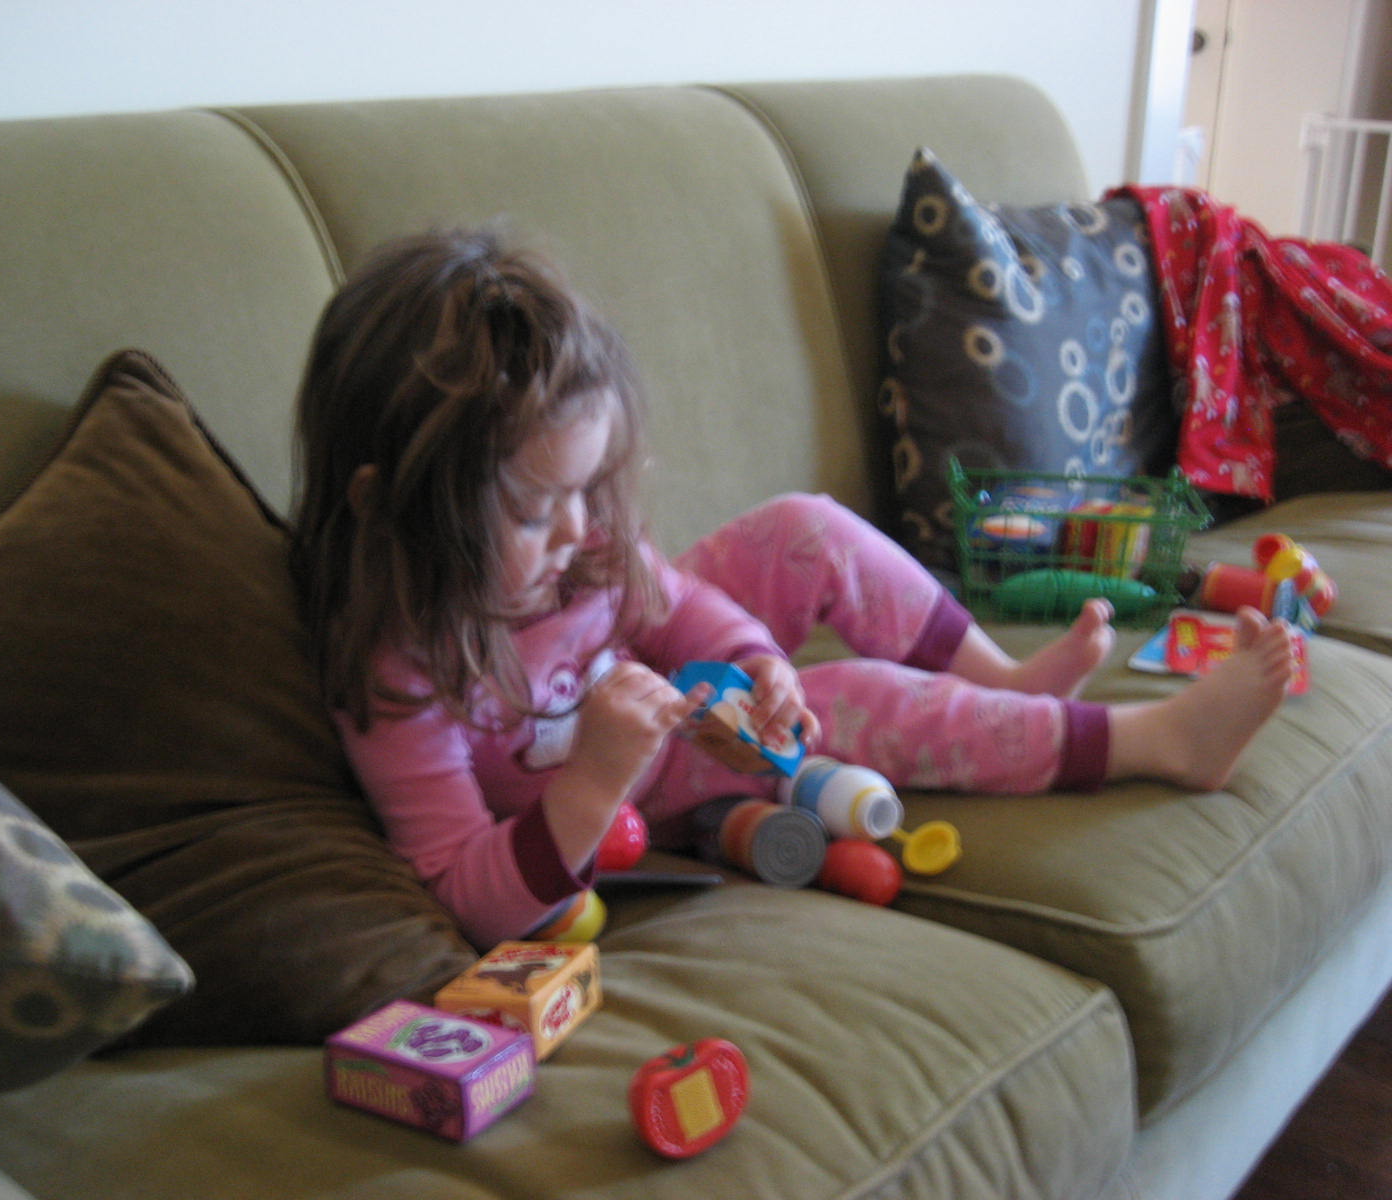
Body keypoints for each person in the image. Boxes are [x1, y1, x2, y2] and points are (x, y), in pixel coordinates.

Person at [290, 228, 1295, 948]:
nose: (581, 529)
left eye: (588, 489)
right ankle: (1155, 741)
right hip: (634, 782)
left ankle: (1005, 680)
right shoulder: (397, 677)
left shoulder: (580, 546)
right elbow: (461, 891)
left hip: (663, 696)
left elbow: (675, 607)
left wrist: (753, 659)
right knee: (850, 698)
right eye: (528, 510)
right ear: (391, 510)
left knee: (802, 529)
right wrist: (593, 782)